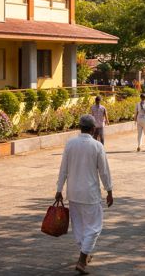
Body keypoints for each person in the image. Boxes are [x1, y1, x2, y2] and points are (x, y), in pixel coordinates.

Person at [55, 115, 113, 275]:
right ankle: (82, 259)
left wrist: (59, 189)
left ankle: (85, 253)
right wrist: (109, 190)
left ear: (79, 127)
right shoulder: (97, 146)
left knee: (79, 227)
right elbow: (104, 171)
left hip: (73, 193)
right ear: (93, 129)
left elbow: (63, 169)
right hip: (90, 194)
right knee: (94, 227)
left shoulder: (70, 144)